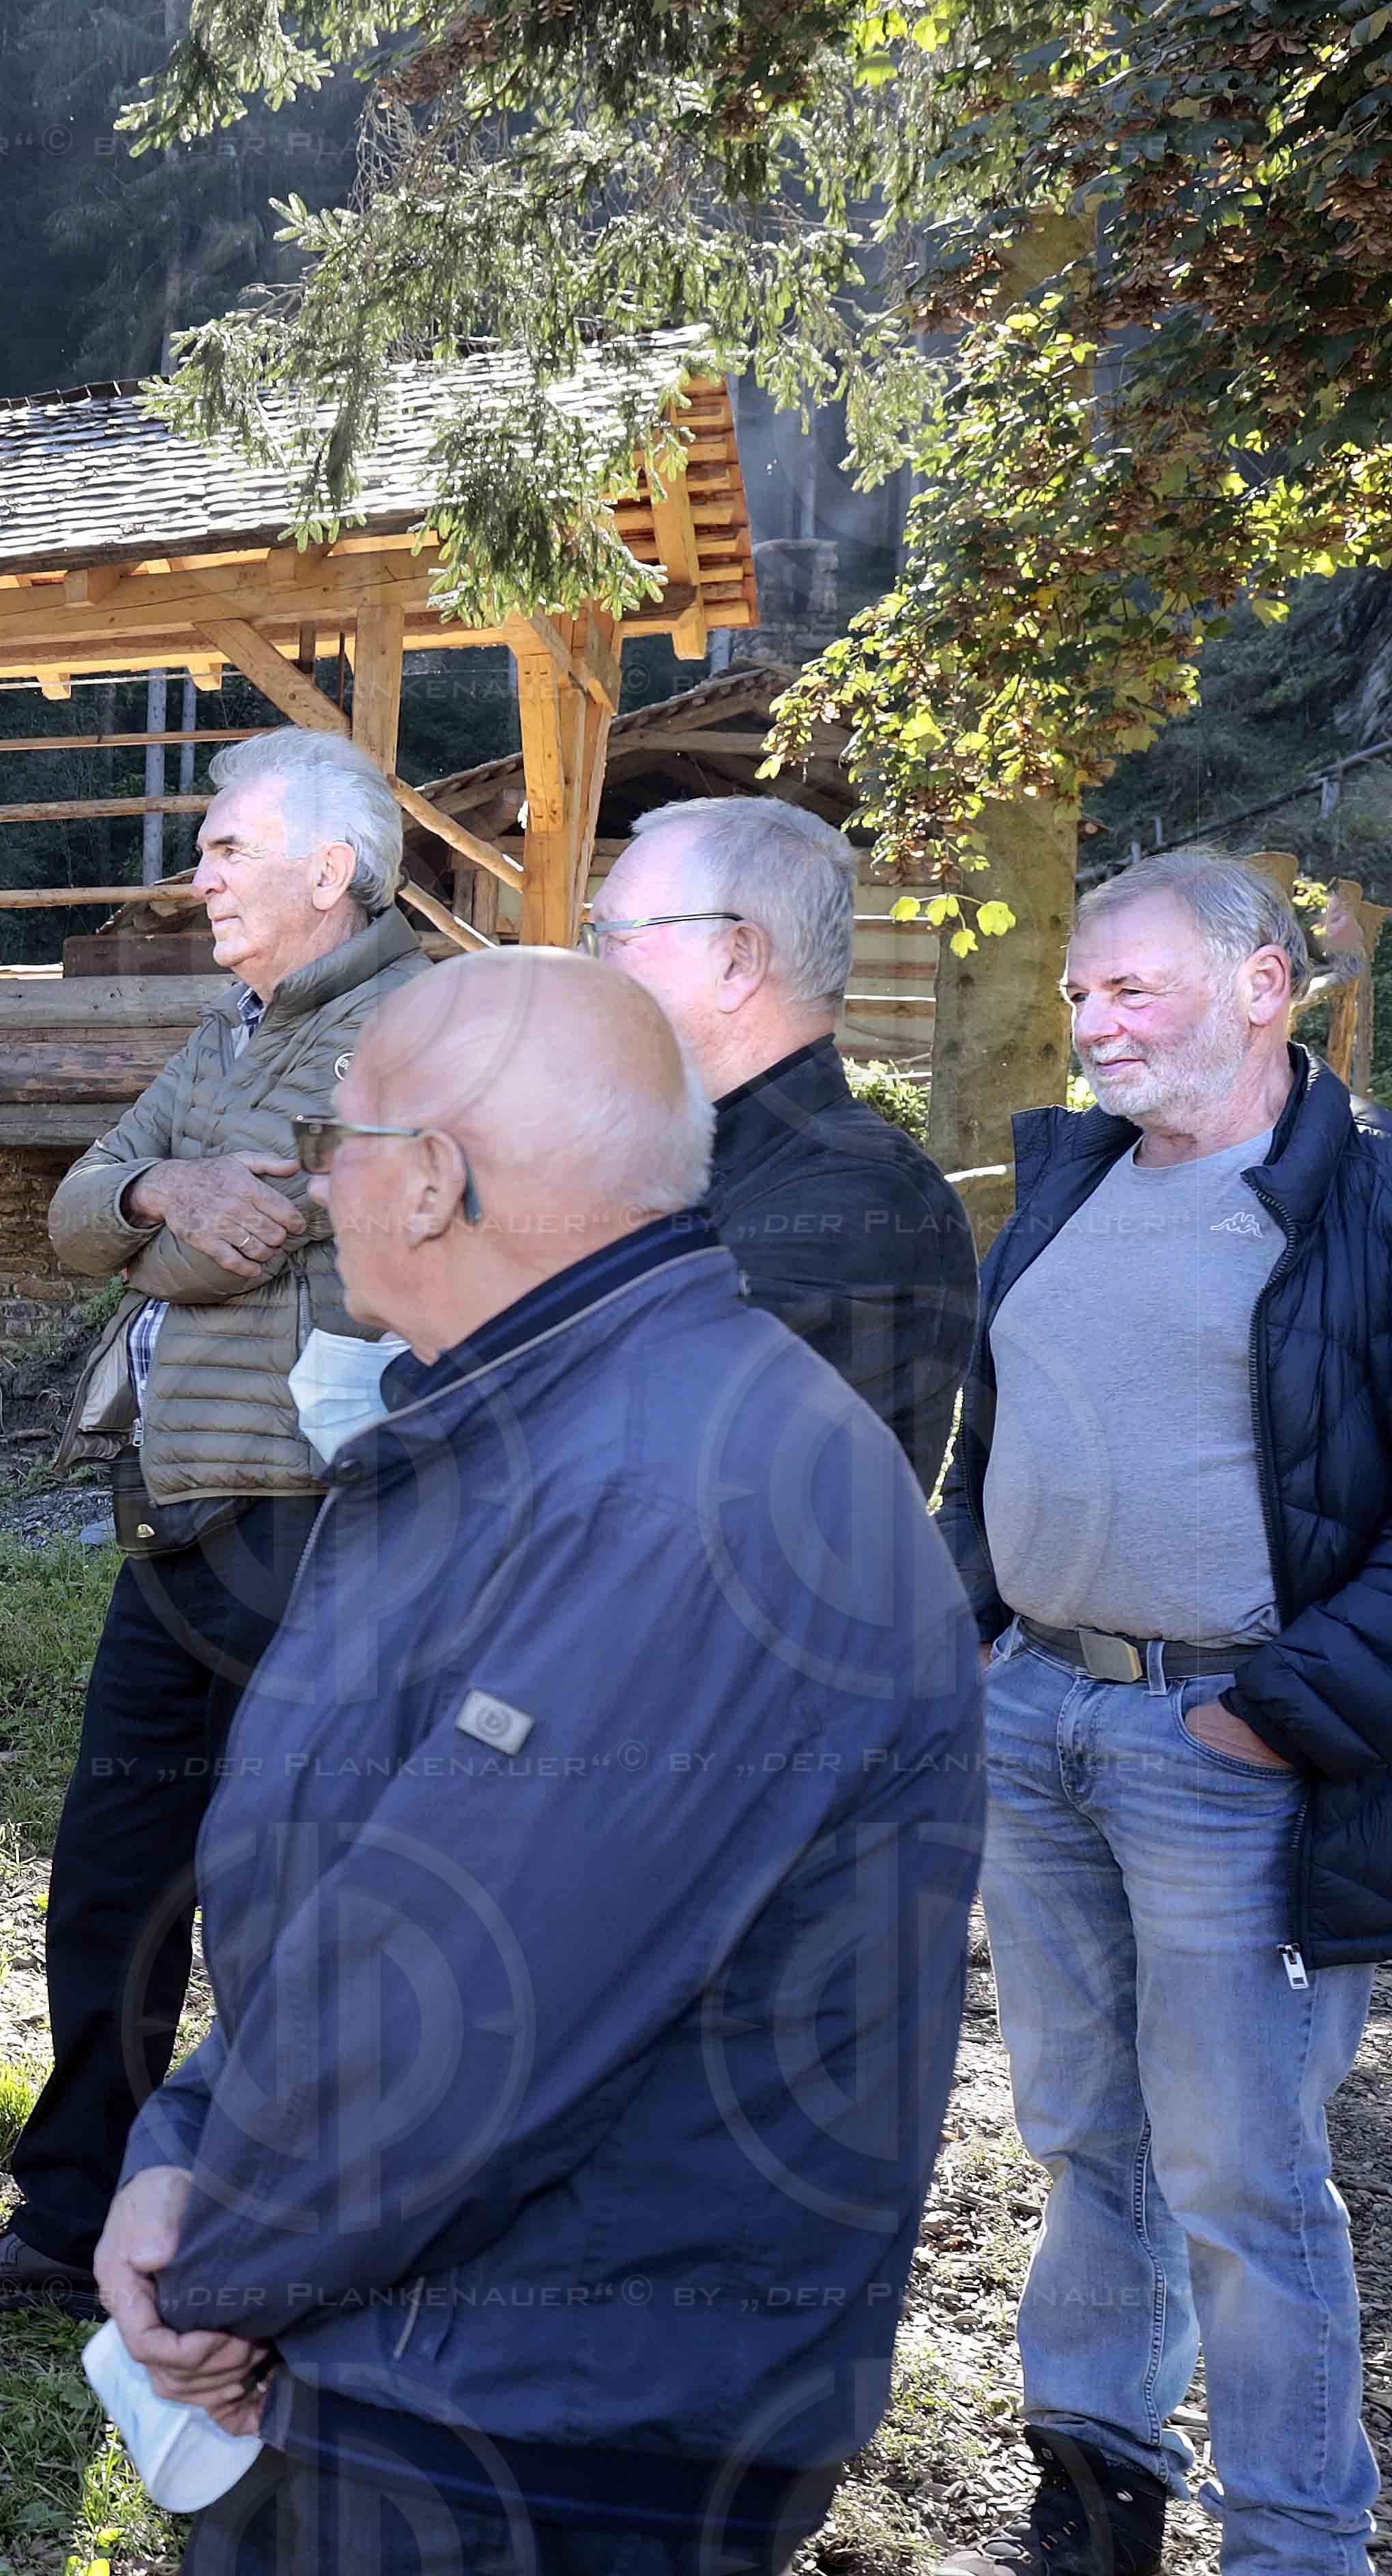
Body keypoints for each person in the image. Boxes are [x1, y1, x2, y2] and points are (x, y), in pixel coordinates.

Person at [102, 946, 985, 2575]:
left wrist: (211, 2262)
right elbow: (353, 1888)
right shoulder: (526, 1422)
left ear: (432, 1183)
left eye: (336, 1145)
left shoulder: (679, 1505)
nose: (317, 1188)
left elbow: (469, 1999)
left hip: (534, 2443)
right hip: (441, 2369)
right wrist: (182, 2148)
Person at [0, 725, 431, 2316]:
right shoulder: (231, 1026)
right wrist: (159, 1194)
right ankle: (77, 2223)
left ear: (328, 868)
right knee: (113, 1884)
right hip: (178, 1532)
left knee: (292, 1913)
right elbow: (94, 1205)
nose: (195, 876)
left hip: (327, 1543)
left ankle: (275, 2252)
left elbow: (252, 1241)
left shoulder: (419, 1032)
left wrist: (184, 1213)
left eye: (224, 849)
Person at [930, 851, 1392, 2576]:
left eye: (1132, 989)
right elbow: (997, 1453)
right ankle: (1099, 2494)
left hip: (1234, 1756)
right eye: (1078, 996)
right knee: (1080, 2136)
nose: (1092, 1022)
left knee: (1243, 2180)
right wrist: (976, 1640)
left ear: (1265, 985)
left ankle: (1295, 2542)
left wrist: (1270, 1719)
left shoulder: (1363, 1210)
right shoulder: (1064, 1188)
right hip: (1035, 1721)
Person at [587, 797, 977, 1472]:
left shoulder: (856, 1203)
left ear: (738, 960)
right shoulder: (693, 1160)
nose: (588, 971)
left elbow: (623, 1465)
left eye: (613, 937)